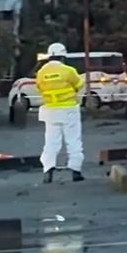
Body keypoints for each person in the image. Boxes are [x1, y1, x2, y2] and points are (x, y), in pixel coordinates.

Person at [36, 42, 85, 183]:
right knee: (73, 141)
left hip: (50, 111)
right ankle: (76, 171)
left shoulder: (41, 73)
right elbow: (79, 85)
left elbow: (40, 89)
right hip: (69, 110)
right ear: (63, 56)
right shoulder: (68, 71)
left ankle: (48, 169)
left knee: (51, 142)